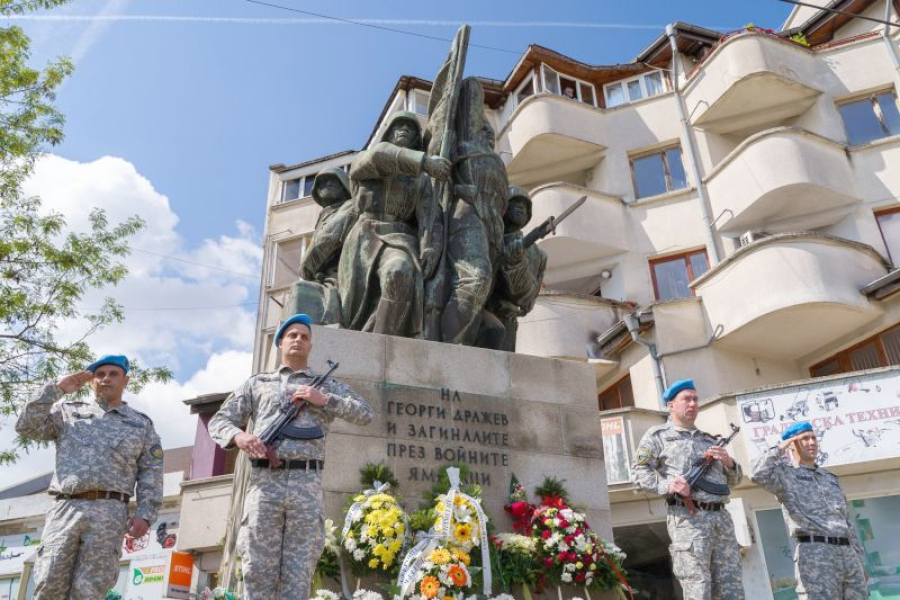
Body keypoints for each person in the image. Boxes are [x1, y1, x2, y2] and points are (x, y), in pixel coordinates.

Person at [208, 313, 373, 600]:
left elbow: (365, 414)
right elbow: (219, 421)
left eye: (304, 337)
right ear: (280, 343)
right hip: (264, 484)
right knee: (257, 570)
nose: (298, 340)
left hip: (306, 484)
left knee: (299, 573)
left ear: (310, 346)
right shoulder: (258, 383)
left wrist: (325, 400)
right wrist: (240, 436)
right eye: (292, 335)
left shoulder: (324, 385)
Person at [15, 354, 163, 599]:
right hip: (65, 507)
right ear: (91, 381)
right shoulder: (68, 412)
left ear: (125, 381)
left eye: (113, 374)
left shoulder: (141, 425)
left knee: (90, 589)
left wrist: (146, 514)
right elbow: (26, 426)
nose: (106, 379)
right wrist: (58, 389)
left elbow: (151, 471)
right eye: (99, 374)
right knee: (48, 581)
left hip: (110, 511)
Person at [338, 111, 450, 336]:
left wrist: (430, 247)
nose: (404, 130)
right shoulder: (367, 159)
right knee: (352, 312)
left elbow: (431, 218)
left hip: (399, 238)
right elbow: (380, 155)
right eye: (399, 125)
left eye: (411, 128)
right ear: (388, 132)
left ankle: (381, 342)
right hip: (364, 237)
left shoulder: (421, 180)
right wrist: (425, 162)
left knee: (399, 271)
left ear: (416, 139)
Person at [631, 379, 744, 600]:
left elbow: (732, 482)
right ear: (671, 405)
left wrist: (729, 463)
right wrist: (667, 485)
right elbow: (638, 472)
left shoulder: (709, 440)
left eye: (695, 399)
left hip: (721, 519)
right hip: (688, 520)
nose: (693, 404)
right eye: (686, 399)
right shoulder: (658, 436)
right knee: (698, 587)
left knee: (731, 587)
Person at [750, 421, 867, 599]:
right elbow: (757, 474)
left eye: (813, 438)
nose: (812, 442)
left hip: (848, 554)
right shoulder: (785, 474)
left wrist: (859, 561)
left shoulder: (829, 478)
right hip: (815, 553)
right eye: (805, 439)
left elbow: (846, 521)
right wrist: (781, 447)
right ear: (792, 444)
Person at [479, 186, 547, 351]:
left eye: (525, 206)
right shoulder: (486, 238)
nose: (521, 207)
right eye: (515, 202)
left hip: (508, 323)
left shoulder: (539, 255)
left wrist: (516, 263)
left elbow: (527, 300)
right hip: (481, 317)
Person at [301, 167, 356, 286]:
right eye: (323, 181)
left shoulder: (351, 206)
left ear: (344, 184)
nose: (328, 184)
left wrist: (306, 268)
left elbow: (328, 237)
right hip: (322, 276)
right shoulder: (324, 214)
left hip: (341, 272)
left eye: (333, 180)